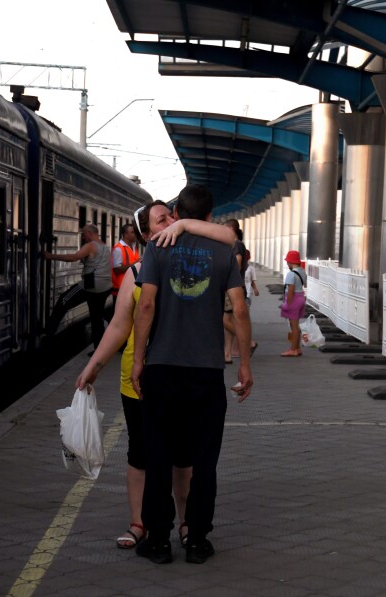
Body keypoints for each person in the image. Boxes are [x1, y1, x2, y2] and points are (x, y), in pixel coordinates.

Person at [75, 201, 236, 551]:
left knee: (182, 458)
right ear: (147, 235)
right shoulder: (136, 272)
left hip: (171, 375)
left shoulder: (192, 262)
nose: (172, 223)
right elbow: (119, 326)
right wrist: (94, 367)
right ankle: (140, 523)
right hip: (139, 379)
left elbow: (228, 237)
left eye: (172, 217)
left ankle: (185, 524)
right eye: (162, 220)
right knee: (142, 455)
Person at [131, 184, 252, 565]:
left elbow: (146, 304)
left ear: (178, 211)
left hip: (162, 367)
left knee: (158, 455)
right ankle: (197, 538)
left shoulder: (156, 247)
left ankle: (158, 541)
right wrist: (245, 364)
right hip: (206, 371)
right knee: (204, 459)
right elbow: (240, 310)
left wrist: (138, 360)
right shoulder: (224, 251)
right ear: (211, 215)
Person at [42, 224, 112, 351]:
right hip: (105, 287)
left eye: (84, 234)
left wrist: (51, 256)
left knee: (64, 300)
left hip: (91, 285)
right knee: (97, 318)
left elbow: (74, 257)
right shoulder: (105, 247)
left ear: (90, 233)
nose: (83, 237)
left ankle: (48, 334)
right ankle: (98, 350)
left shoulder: (90, 245)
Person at [222, 222, 255, 361]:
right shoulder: (237, 244)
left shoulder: (236, 244)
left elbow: (238, 261)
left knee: (223, 319)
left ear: (231, 229)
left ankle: (249, 342)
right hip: (235, 286)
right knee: (229, 319)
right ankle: (227, 354)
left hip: (232, 287)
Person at [279, 249, 307, 356]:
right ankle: (297, 348)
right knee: (296, 325)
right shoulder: (302, 271)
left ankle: (293, 349)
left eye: (287, 261)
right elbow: (305, 284)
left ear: (290, 262)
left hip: (293, 300)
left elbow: (290, 290)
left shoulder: (291, 274)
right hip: (301, 298)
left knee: (293, 326)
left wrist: (287, 304)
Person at [111, 223, 140, 298]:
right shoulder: (118, 249)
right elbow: (117, 269)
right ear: (125, 234)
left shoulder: (134, 246)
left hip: (132, 286)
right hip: (120, 289)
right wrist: (135, 264)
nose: (135, 234)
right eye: (132, 232)